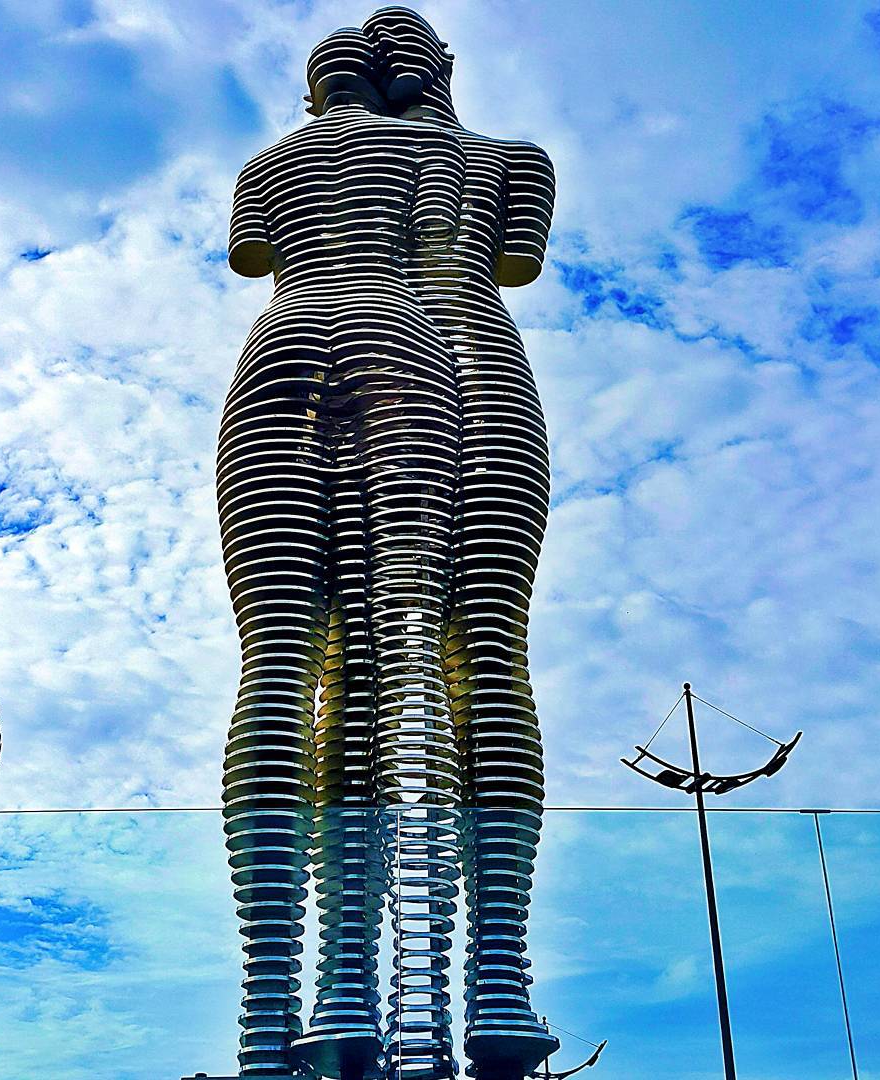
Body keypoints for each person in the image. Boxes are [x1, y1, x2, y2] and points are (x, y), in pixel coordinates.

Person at [219, 27, 467, 1078]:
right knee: (410, 647)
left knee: (277, 659)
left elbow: (253, 256)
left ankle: (267, 1017)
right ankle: (420, 1008)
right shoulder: (436, 150)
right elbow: (450, 253)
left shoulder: (266, 164)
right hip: (401, 335)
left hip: (278, 343)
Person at [360, 8, 559, 1079]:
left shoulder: (511, 158)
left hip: (437, 356)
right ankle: (482, 987)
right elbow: (508, 260)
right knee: (467, 649)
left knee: (440, 649)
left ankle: (472, 981)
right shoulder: (509, 158)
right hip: (463, 352)